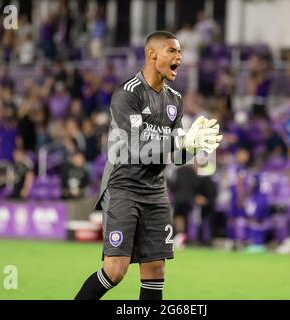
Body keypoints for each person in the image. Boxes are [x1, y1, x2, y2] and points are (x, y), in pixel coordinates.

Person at [74, 31, 222, 300]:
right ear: (152, 54)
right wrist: (181, 142)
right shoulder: (127, 93)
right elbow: (135, 149)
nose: (179, 56)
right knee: (115, 271)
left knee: (156, 270)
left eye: (180, 52)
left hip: (155, 192)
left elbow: (175, 157)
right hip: (123, 187)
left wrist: (193, 147)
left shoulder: (174, 101)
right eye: (172, 51)